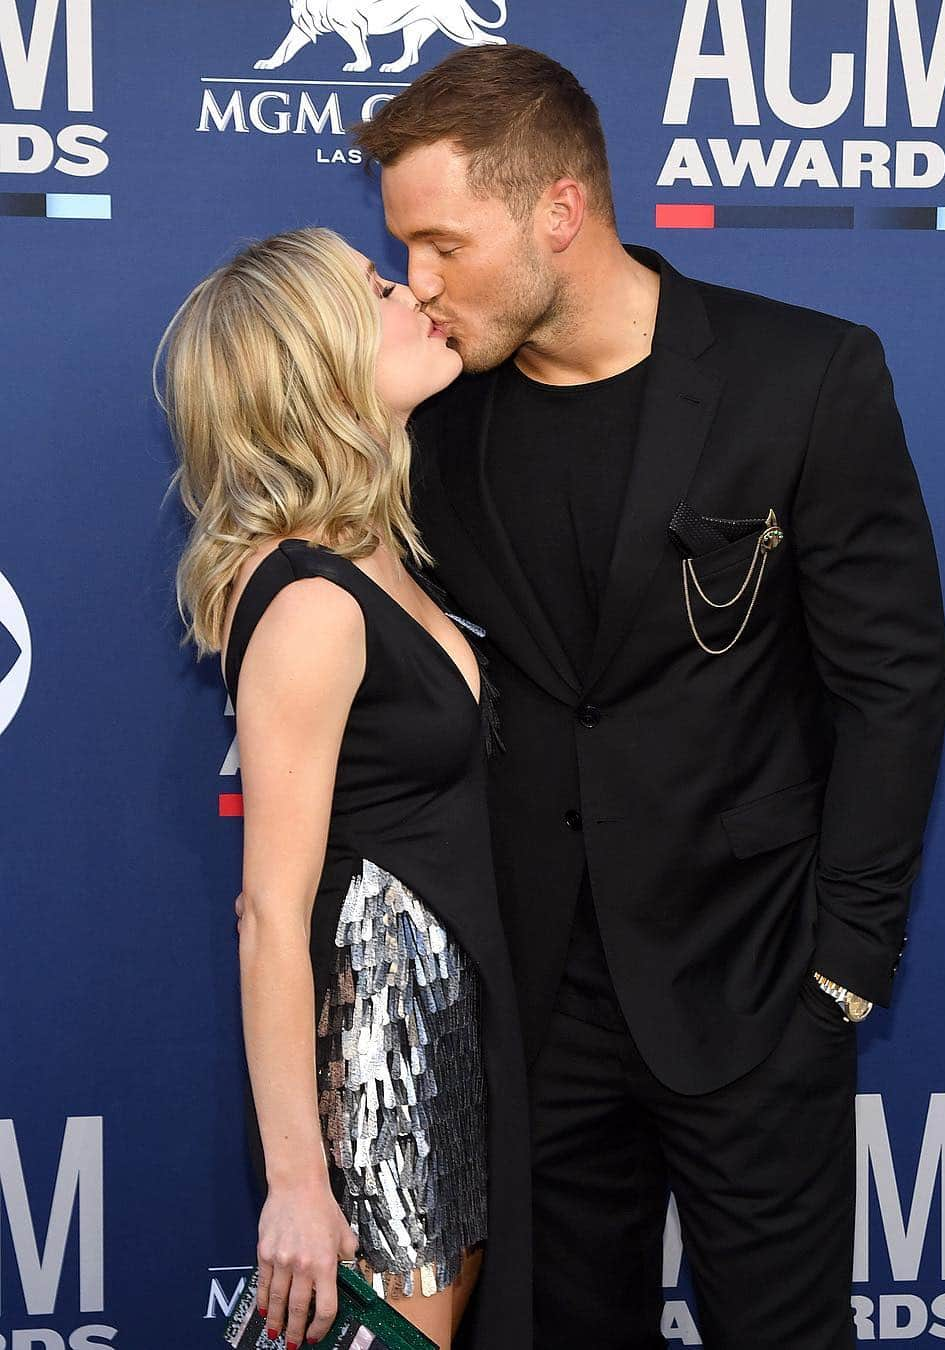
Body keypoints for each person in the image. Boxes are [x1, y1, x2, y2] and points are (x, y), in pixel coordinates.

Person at [353, 44, 945, 1349]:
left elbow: (892, 684)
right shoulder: (433, 420)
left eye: (445, 242)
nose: (421, 283)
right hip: (531, 1007)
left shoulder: (803, 378)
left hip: (753, 988)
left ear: (559, 209)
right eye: (407, 248)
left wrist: (842, 973)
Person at [156, 226, 530, 1350]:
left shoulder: (377, 555)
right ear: (317, 361)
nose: (413, 290)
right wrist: (296, 1183)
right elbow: (270, 912)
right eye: (375, 289)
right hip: (382, 1064)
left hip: (447, 1043)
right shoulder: (312, 603)